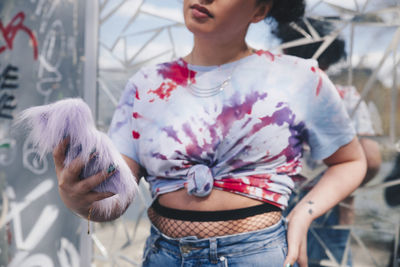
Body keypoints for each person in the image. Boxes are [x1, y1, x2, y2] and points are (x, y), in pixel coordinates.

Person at [52, 1, 367, 266]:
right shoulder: (145, 84)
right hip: (164, 255)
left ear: (260, 10)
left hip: (256, 254)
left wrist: (303, 215)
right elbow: (115, 199)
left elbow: (350, 161)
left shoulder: (300, 78)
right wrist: (77, 199)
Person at [273, 18, 381, 266]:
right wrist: (342, 188)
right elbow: (372, 160)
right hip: (331, 206)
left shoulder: (271, 95)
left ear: (288, 51)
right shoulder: (345, 96)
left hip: (277, 201)